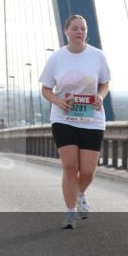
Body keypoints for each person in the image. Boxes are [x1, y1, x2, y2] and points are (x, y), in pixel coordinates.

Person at [40, 15, 111, 229]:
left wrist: (100, 96)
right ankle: (70, 212)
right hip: (64, 118)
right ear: (66, 31)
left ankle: (79, 193)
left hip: (92, 118)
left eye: (83, 28)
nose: (80, 31)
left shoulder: (98, 56)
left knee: (87, 171)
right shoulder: (56, 58)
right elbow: (45, 89)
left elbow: (105, 84)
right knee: (70, 166)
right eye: (75, 28)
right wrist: (59, 102)